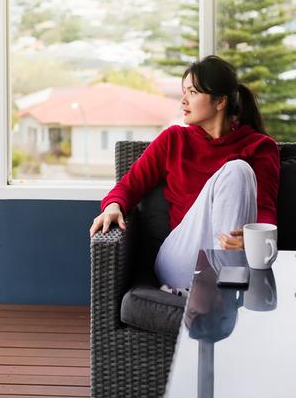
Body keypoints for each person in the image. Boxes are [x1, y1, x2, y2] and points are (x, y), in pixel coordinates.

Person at [89, 55, 280, 290]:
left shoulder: (260, 146)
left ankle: (221, 289)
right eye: (184, 92)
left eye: (192, 92)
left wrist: (252, 241)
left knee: (238, 171)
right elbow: (129, 186)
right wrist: (113, 206)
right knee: (237, 170)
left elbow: (265, 210)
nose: (183, 101)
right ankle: (226, 287)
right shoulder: (173, 140)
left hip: (237, 257)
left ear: (220, 101)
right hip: (181, 258)